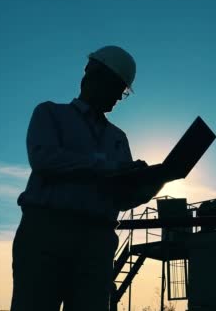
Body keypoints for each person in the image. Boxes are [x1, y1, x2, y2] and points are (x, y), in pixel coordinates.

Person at [10, 45, 164, 311]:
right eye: (118, 87)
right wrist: (107, 166)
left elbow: (122, 198)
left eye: (123, 91)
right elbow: (45, 159)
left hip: (97, 240)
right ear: (92, 76)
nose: (118, 96)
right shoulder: (50, 114)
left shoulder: (118, 138)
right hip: (46, 232)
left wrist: (154, 181)